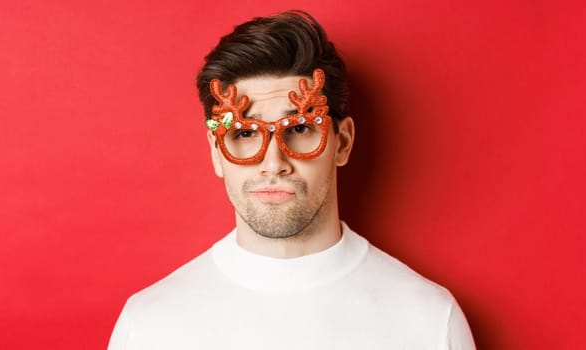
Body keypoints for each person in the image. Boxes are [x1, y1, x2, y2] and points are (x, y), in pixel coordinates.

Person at [107, 10, 476, 350]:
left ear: (342, 142)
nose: (273, 162)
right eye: (245, 134)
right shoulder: (149, 328)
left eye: (299, 128)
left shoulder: (428, 322)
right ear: (217, 151)